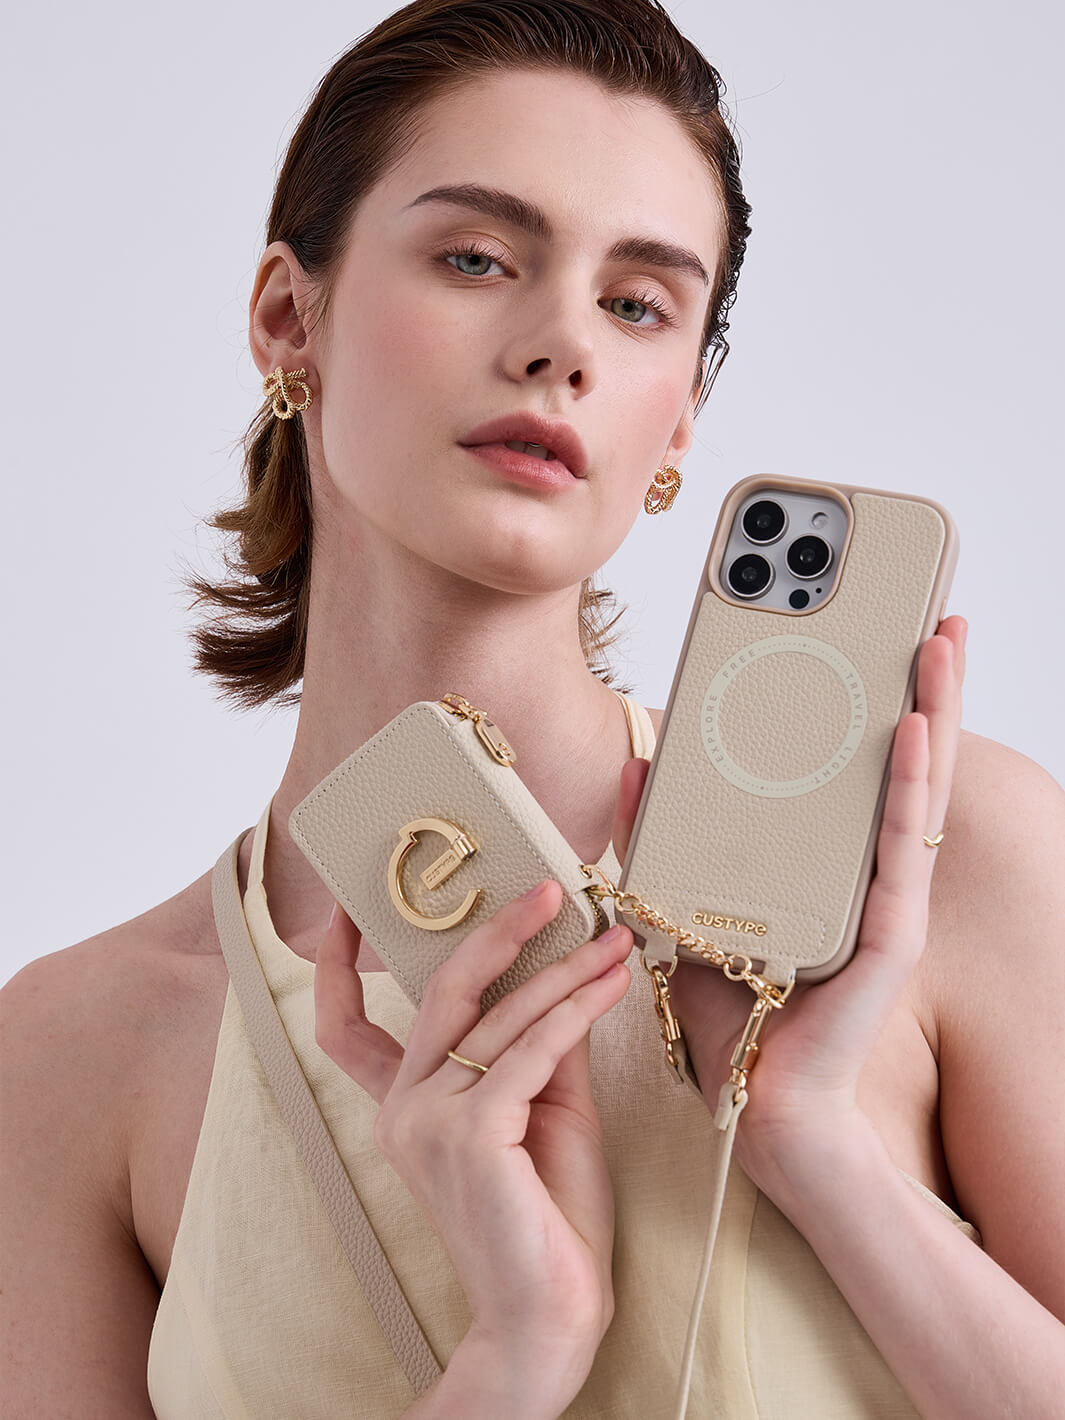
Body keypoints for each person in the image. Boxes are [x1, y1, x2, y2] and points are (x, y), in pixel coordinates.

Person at [2, 0, 1063, 1415]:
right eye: (476, 258)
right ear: (288, 317)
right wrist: (518, 1353)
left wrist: (815, 1147)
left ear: (677, 417)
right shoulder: (68, 1055)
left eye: (637, 304)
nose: (562, 341)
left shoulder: (927, 865)